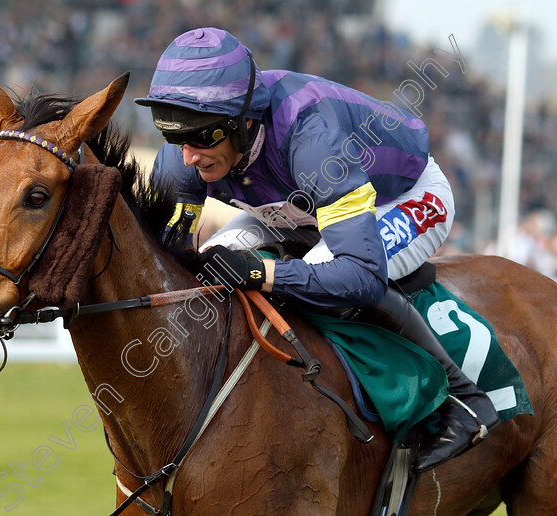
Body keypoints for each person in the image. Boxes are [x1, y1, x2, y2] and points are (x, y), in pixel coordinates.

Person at [135, 27, 499, 473]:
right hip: (292, 203)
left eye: (201, 137)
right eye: (176, 136)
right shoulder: (186, 152)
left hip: (398, 195)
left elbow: (360, 276)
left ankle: (465, 401)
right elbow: (170, 262)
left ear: (245, 122)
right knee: (209, 269)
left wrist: (259, 274)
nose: (187, 156)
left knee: (321, 275)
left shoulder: (310, 132)